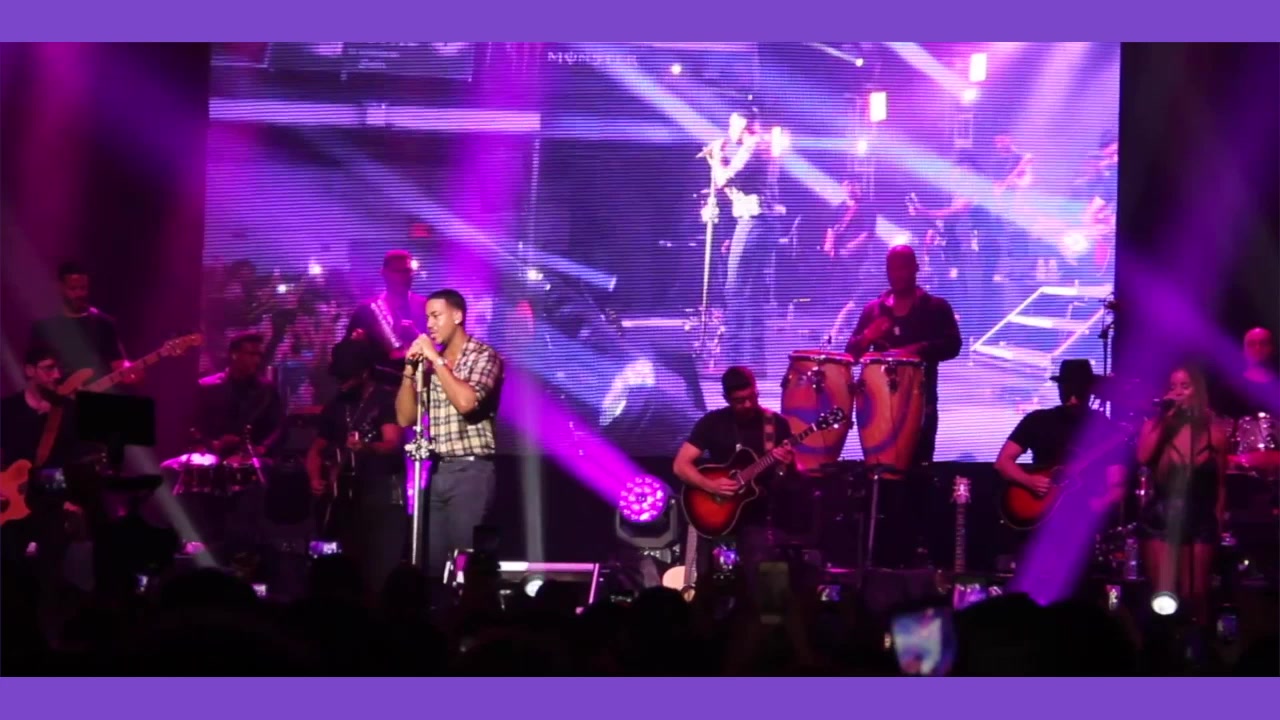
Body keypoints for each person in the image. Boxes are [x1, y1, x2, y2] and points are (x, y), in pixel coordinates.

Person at [398, 289, 504, 584]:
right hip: (437, 471)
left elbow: (467, 402)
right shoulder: (431, 365)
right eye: (427, 318)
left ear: (457, 316)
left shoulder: (484, 355)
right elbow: (405, 418)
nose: (429, 324)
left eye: (436, 316)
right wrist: (409, 371)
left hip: (472, 470)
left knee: (463, 563)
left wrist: (436, 360)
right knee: (431, 565)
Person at [672, 366, 797, 591]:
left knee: (762, 583)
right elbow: (681, 465)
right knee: (708, 584)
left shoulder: (776, 424)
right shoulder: (712, 422)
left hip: (756, 515)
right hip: (716, 514)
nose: (748, 404)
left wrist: (784, 465)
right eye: (740, 401)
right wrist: (711, 486)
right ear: (726, 399)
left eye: (752, 397)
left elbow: (784, 478)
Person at [844, 245, 963, 465]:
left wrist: (915, 350)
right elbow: (850, 355)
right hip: (877, 403)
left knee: (918, 468)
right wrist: (868, 336)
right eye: (892, 268)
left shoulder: (935, 307)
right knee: (879, 465)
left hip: (920, 401)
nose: (897, 274)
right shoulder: (873, 310)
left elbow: (953, 345)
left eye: (903, 268)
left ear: (916, 268)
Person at [306, 338, 407, 595]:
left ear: (364, 373)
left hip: (382, 495)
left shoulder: (385, 399)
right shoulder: (337, 404)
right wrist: (315, 478)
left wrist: (367, 448)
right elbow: (316, 450)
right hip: (346, 501)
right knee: (348, 576)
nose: (340, 381)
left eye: (346, 376)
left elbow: (392, 443)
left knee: (379, 573)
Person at [1136, 365, 1228, 628]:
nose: (1177, 392)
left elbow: (1221, 484)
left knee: (1196, 594)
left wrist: (1219, 521)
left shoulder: (1215, 432)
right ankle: (1161, 644)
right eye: (1172, 386)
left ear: (1198, 391)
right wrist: (1164, 418)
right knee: (1164, 596)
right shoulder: (1156, 426)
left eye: (1184, 386)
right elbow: (1143, 457)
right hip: (1162, 517)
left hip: (1200, 518)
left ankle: (1197, 644)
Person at [0, 346, 87, 599]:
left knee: (51, 573)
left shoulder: (69, 412)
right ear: (29, 370)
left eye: (58, 368)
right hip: (9, 503)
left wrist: (68, 497)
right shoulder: (7, 409)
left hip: (51, 502)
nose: (57, 375)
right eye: (48, 368)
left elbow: (77, 460)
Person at [995, 359, 1129, 517]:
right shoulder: (1038, 420)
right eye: (1069, 388)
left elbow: (1117, 484)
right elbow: (1003, 462)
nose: (1073, 397)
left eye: (1078, 389)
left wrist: (1098, 505)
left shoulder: (1103, 426)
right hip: (1042, 512)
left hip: (1082, 514)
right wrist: (1029, 481)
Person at [707, 107, 782, 369]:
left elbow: (723, 179)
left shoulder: (753, 146)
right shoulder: (760, 147)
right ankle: (751, 361)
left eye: (731, 124)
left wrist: (716, 157)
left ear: (743, 124)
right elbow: (736, 191)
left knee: (736, 288)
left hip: (756, 221)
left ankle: (736, 361)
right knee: (750, 292)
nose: (729, 131)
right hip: (758, 222)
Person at [29, 261, 141, 386]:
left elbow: (118, 363)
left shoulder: (104, 323)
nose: (79, 294)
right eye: (73, 289)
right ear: (60, 288)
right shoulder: (44, 327)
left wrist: (131, 372)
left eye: (83, 288)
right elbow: (35, 372)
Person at [346, 250, 428, 386]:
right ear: (384, 273)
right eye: (397, 271)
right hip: (380, 388)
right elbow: (348, 354)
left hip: (419, 386)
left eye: (407, 271)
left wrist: (416, 336)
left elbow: (439, 348)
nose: (403, 277)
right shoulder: (367, 309)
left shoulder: (425, 306)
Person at [1215, 327, 1280, 419]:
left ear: (1272, 347)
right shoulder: (1230, 385)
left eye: (1263, 343)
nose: (1258, 348)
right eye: (1251, 344)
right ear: (1244, 349)